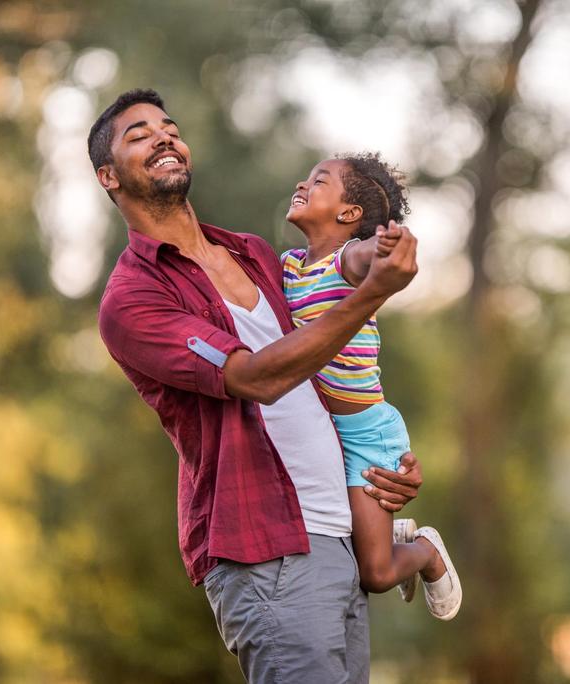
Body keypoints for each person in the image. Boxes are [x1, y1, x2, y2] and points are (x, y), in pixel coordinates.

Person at [90, 88, 421, 683]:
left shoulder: (256, 253)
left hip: (338, 535)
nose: (163, 136)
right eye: (138, 135)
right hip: (269, 553)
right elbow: (257, 377)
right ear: (108, 176)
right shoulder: (133, 299)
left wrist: (380, 462)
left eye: (169, 126)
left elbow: (326, 372)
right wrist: (374, 292)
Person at [281, 153, 461, 619]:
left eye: (319, 180)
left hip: (365, 434)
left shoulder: (347, 261)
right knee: (354, 549)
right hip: (324, 436)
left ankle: (423, 549)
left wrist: (387, 243)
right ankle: (392, 533)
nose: (303, 183)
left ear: (349, 214)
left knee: (375, 574)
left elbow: (368, 256)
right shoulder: (288, 267)